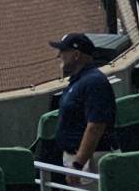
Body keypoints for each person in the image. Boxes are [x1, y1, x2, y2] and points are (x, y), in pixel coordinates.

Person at [47, 32, 115, 170]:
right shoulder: (81, 80)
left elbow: (95, 126)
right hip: (82, 159)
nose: (59, 55)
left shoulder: (94, 82)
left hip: (89, 161)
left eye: (63, 51)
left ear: (76, 55)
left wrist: (78, 163)